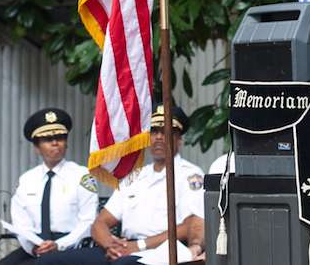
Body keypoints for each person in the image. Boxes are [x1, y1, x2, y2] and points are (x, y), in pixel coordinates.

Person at [50, 104, 205, 265]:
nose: (158, 137)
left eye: (165, 132)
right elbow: (101, 222)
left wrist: (139, 246)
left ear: (179, 139)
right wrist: (111, 245)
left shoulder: (190, 175)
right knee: (52, 261)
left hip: (161, 251)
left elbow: (191, 224)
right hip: (123, 247)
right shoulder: (136, 175)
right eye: (154, 131)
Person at [0, 108, 97, 264]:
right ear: (37, 148)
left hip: (70, 247)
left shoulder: (82, 176)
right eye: (48, 139)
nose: (55, 143)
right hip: (36, 246)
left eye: (60, 137)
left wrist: (60, 245)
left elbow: (88, 222)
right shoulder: (27, 179)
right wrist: (33, 247)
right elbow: (21, 223)